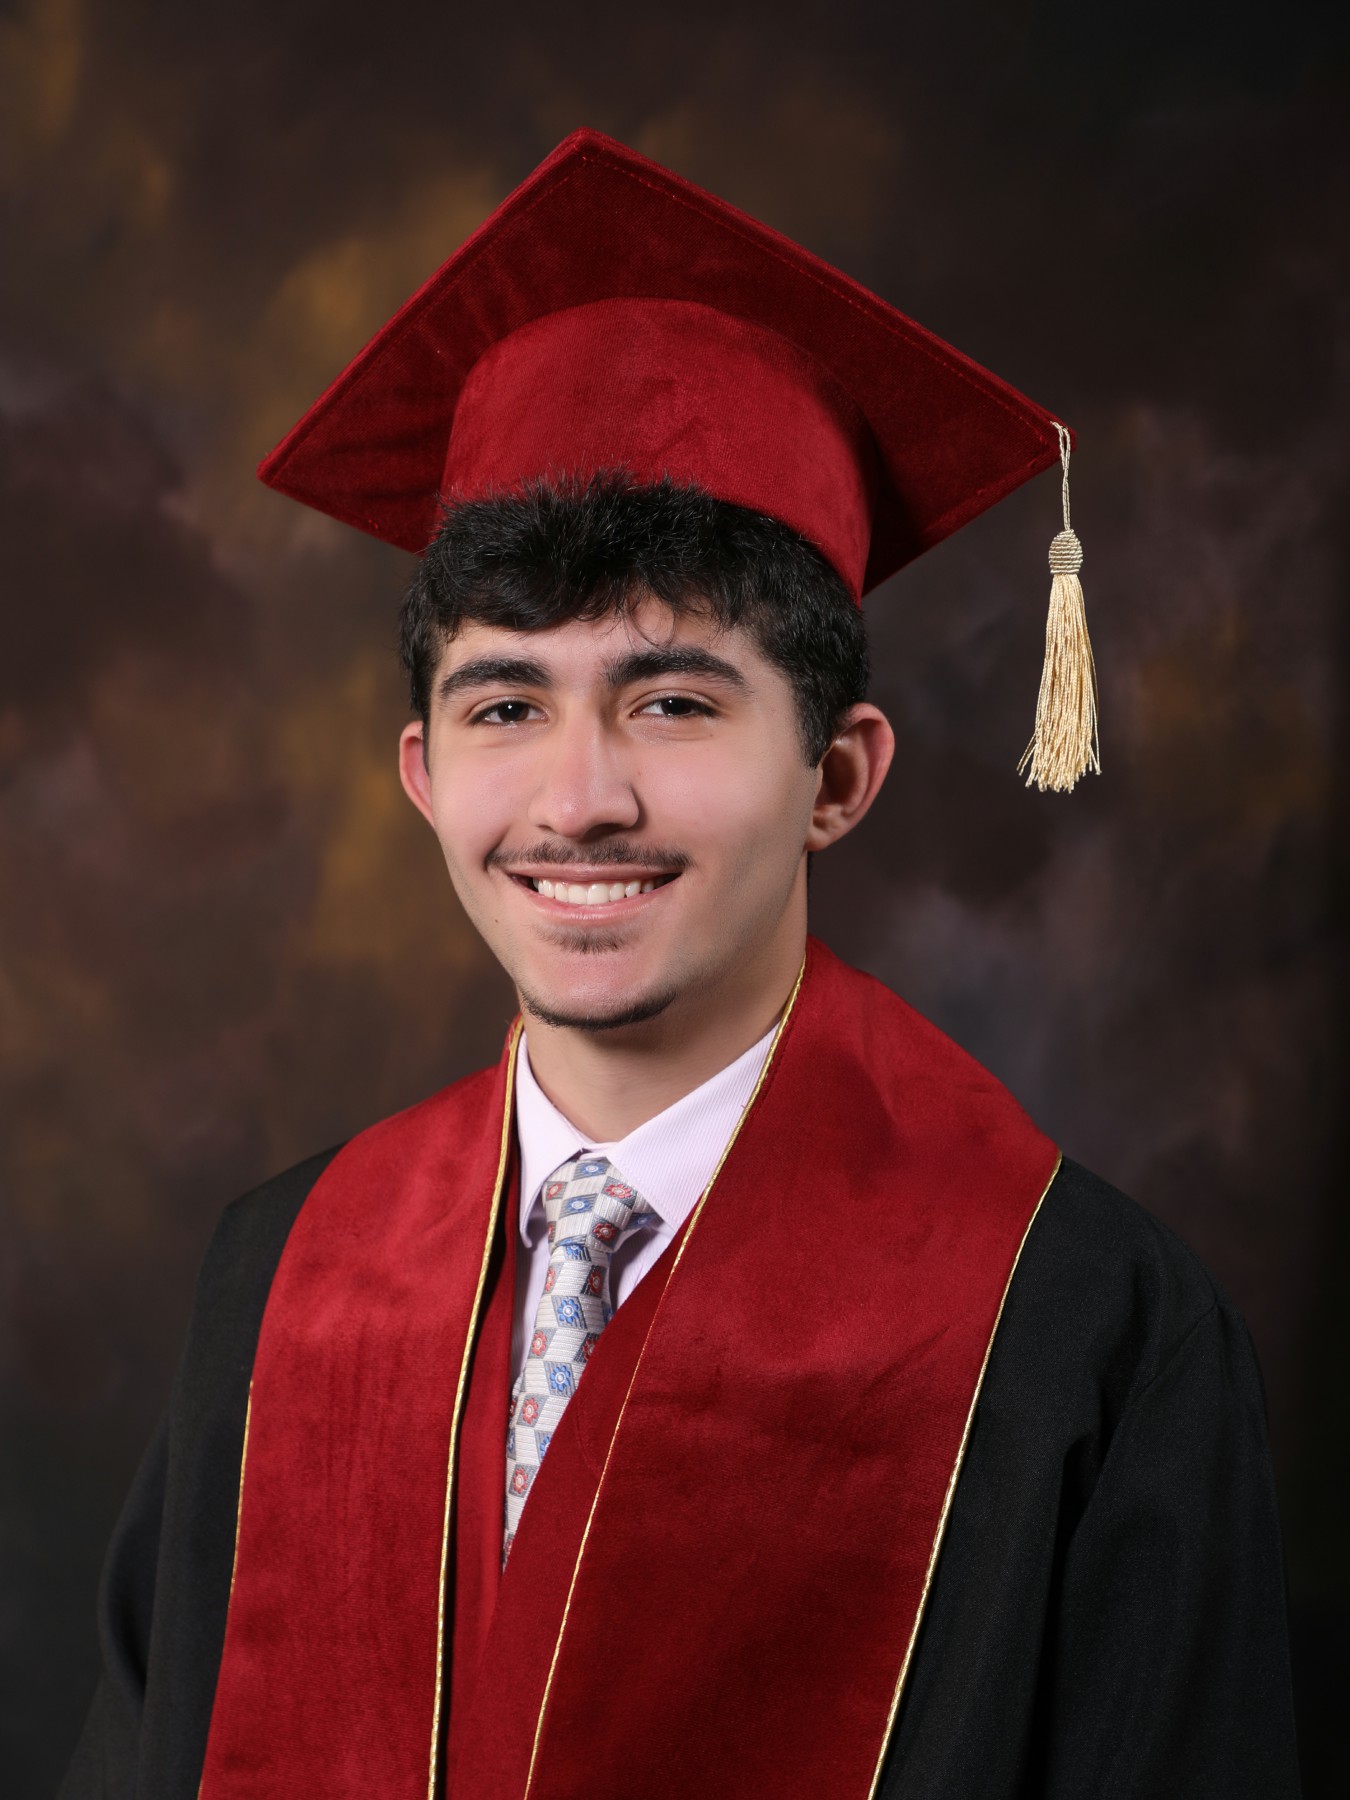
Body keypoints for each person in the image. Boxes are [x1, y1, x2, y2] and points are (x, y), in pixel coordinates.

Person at [61, 129, 1300, 1800]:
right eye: (506, 704)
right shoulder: (280, 1277)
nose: (579, 799)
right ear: (421, 774)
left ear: (836, 776)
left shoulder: (1087, 1327)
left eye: (671, 700)